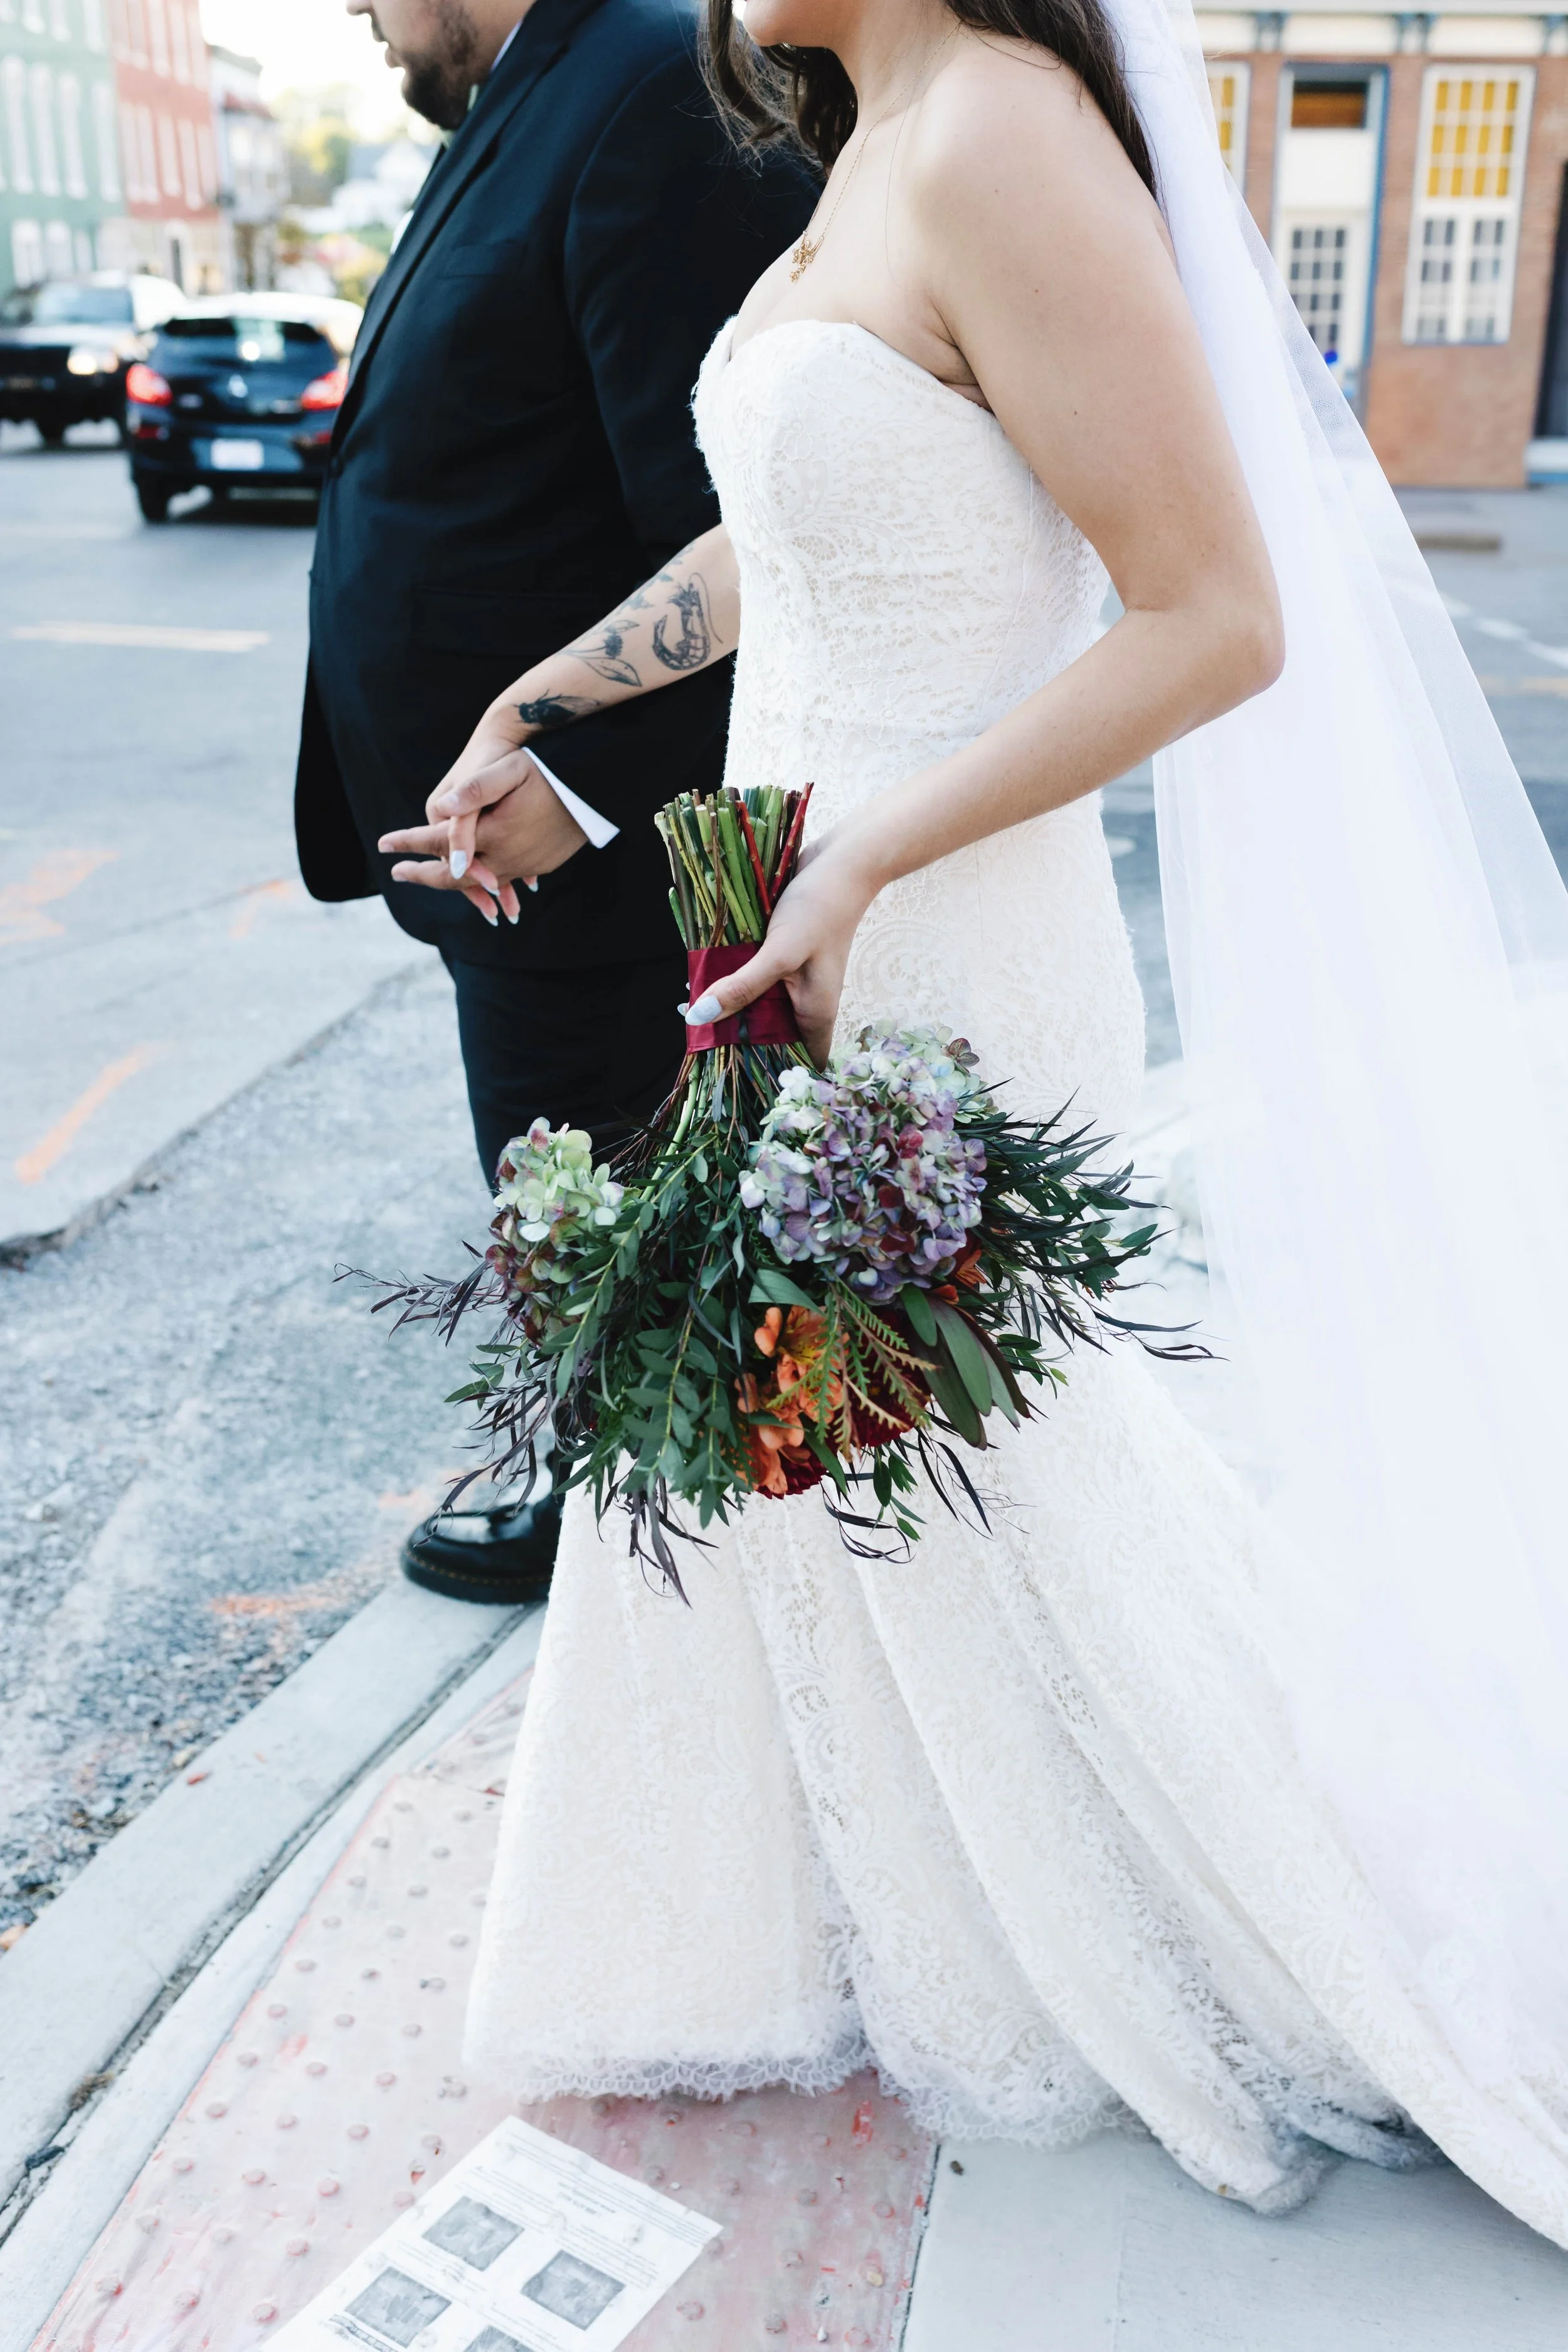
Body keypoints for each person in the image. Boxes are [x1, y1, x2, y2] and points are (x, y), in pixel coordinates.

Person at [406, 0, 1568, 2242]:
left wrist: (867, 858)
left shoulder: (1011, 133)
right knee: (833, 1471)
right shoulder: (876, 140)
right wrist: (543, 718)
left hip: (942, 929)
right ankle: (868, 1901)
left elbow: (1214, 619)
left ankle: (1258, 1939)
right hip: (806, 918)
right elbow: (793, 542)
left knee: (1006, 1473)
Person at [295, 0, 813, 1604]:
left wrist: (581, 787)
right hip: (502, 864)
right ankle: (608, 1491)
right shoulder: (534, 100)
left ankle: (638, 1541)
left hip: (594, 874)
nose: (357, 13)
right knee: (562, 1209)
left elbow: (761, 523)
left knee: (617, 1219)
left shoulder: (654, 89)